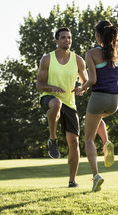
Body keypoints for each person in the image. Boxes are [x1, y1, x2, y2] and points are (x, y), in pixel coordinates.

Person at [77, 20, 118, 192]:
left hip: (99, 97)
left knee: (88, 138)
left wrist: (81, 88)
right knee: (96, 118)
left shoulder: (91, 53)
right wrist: (110, 84)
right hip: (115, 100)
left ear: (98, 35)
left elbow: (92, 80)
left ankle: (96, 176)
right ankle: (106, 143)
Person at [36, 27, 88, 188]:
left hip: (70, 103)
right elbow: (39, 85)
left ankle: (72, 181)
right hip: (48, 97)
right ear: (56, 41)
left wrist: (82, 88)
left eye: (69, 37)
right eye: (64, 38)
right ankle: (52, 139)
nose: (67, 40)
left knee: (74, 143)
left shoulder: (78, 60)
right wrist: (51, 88)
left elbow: (86, 81)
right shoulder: (47, 59)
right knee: (56, 103)